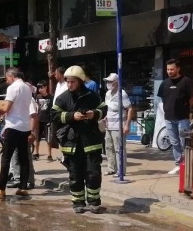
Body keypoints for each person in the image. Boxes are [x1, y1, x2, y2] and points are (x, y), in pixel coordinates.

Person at [51, 66, 105, 214]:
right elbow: (54, 115)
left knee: (93, 174)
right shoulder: (63, 98)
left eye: (72, 82)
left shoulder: (92, 96)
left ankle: (94, 202)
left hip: (91, 141)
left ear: (80, 81)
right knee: (75, 175)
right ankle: (78, 203)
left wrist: (93, 114)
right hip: (72, 143)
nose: (69, 85)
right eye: (67, 82)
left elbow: (103, 109)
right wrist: (71, 116)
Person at [0, 67, 34, 198]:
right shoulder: (27, 88)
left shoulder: (13, 88)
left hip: (13, 126)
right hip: (25, 126)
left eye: (7, 78)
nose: (7, 80)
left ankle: (1, 188)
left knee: (6, 157)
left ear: (11, 76)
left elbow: (7, 108)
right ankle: (22, 187)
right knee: (24, 158)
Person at [157, 59, 193, 175]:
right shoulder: (164, 83)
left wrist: (186, 107)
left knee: (185, 141)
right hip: (169, 118)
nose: (169, 71)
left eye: (172, 69)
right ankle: (179, 164)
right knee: (174, 142)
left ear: (178, 69)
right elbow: (162, 98)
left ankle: (187, 164)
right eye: (168, 69)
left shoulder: (186, 81)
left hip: (182, 118)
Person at [102, 73, 133, 177]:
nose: (108, 84)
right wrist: (106, 117)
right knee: (109, 147)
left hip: (118, 126)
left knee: (119, 149)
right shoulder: (107, 94)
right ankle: (111, 168)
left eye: (110, 82)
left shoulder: (122, 94)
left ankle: (121, 170)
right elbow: (109, 108)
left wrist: (127, 125)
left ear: (116, 82)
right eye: (107, 82)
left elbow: (130, 108)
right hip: (109, 125)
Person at [9, 98, 38, 189]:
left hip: (25, 131)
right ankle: (17, 179)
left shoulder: (29, 99)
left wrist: (32, 132)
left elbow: (33, 116)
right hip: (15, 131)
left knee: (26, 157)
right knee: (15, 156)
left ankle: (30, 180)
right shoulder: (16, 99)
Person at [34, 81, 53, 162]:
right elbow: (35, 107)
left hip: (47, 120)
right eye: (39, 88)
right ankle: (36, 153)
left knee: (48, 138)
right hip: (38, 119)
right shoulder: (37, 97)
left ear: (46, 87)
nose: (40, 90)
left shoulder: (51, 97)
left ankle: (49, 155)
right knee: (37, 137)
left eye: (41, 87)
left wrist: (51, 119)